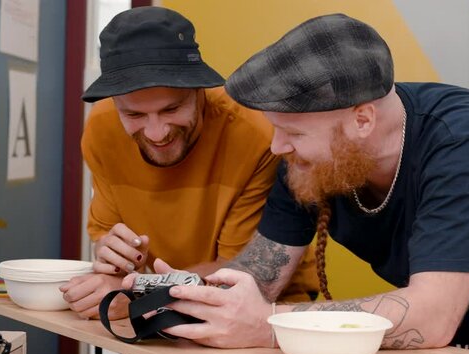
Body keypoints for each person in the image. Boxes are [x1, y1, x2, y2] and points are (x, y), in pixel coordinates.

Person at [122, 13, 469, 354]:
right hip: (446, 327)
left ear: (361, 120)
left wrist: (269, 326)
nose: (276, 147)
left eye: (292, 132)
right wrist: (177, 292)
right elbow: (260, 275)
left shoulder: (467, 141)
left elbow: (432, 317)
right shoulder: (308, 158)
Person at [59, 6, 318, 320]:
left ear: (200, 91)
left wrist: (138, 291)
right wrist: (115, 260)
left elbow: (243, 275)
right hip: (152, 312)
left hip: (262, 314)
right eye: (134, 114)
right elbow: (107, 238)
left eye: (171, 109)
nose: (157, 133)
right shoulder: (101, 130)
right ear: (115, 105)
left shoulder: (257, 136)